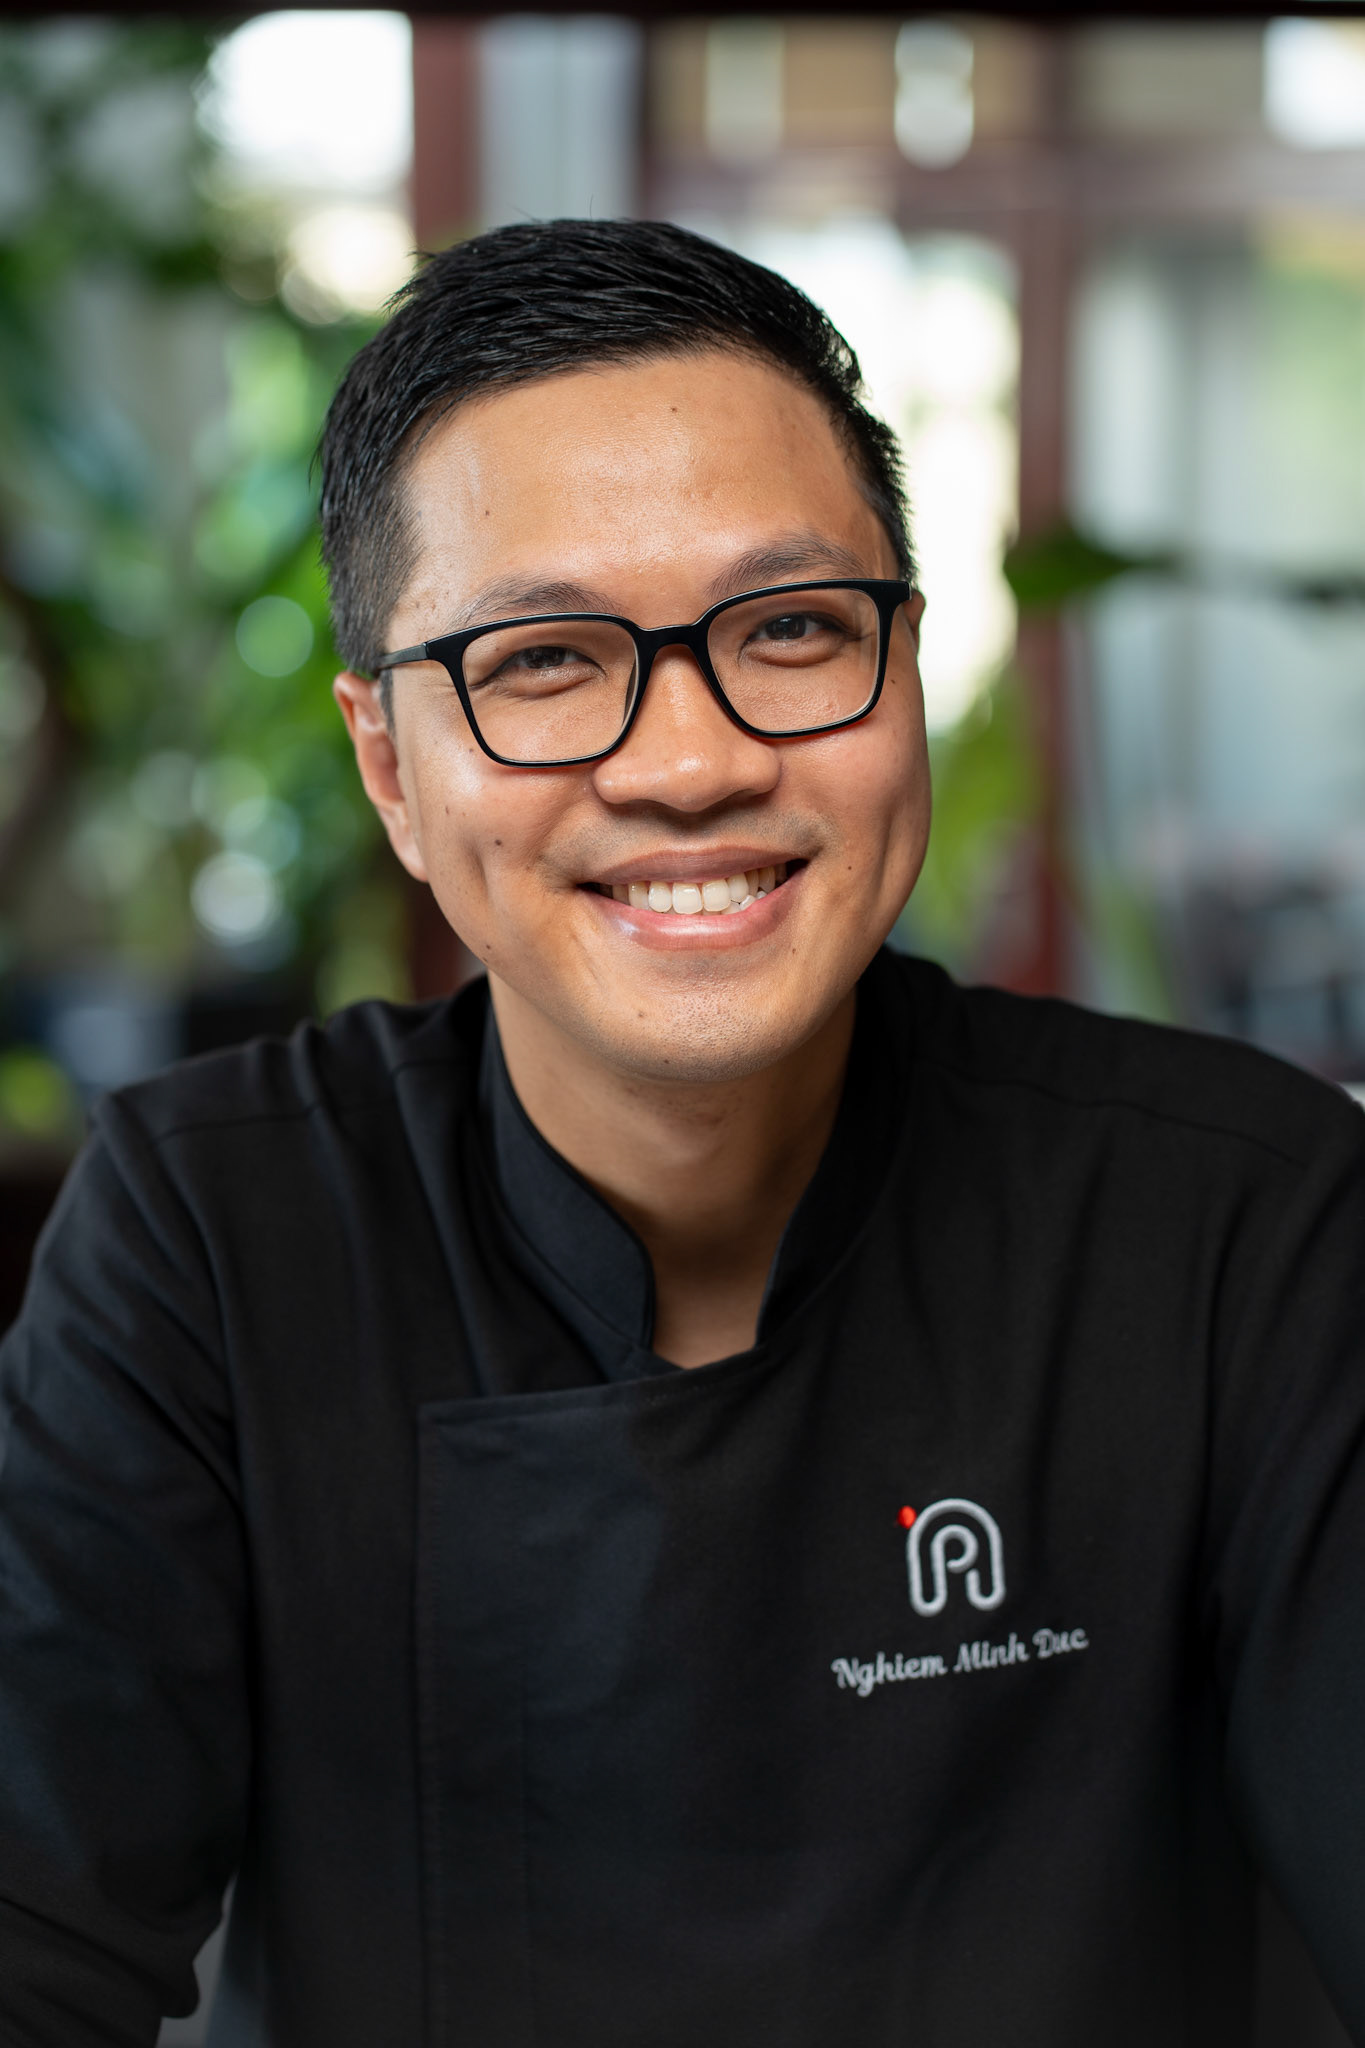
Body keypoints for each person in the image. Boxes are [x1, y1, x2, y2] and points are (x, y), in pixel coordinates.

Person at [1, 217, 1363, 2048]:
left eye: (789, 630)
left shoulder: (1242, 1220)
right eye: (544, 659)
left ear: (905, 670)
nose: (690, 760)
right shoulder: (215, 1227)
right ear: (390, 766)